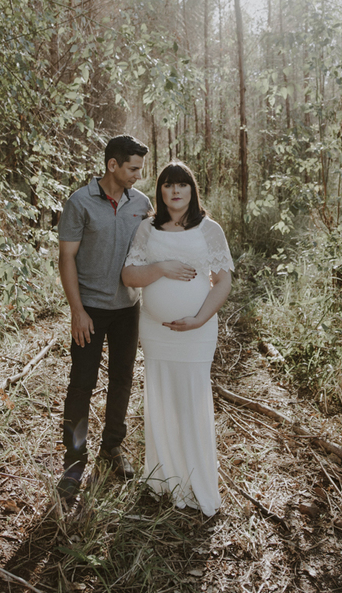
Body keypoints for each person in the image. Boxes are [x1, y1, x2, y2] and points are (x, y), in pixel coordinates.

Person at [122, 161, 233, 517]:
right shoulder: (147, 229)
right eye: (168, 185)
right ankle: (163, 480)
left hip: (198, 332)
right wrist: (162, 268)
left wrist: (199, 319)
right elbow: (128, 275)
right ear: (161, 191)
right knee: (162, 397)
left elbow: (224, 281)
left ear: (192, 189)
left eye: (182, 184)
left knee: (192, 398)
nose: (175, 191)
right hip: (156, 333)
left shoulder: (209, 229)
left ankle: (197, 481)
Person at [56, 135, 151, 499]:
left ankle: (111, 447)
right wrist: (76, 311)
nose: (137, 176)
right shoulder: (80, 203)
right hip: (90, 311)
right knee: (81, 384)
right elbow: (66, 259)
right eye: (132, 169)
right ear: (112, 165)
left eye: (140, 169)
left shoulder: (140, 203)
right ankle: (74, 460)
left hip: (128, 308)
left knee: (122, 381)